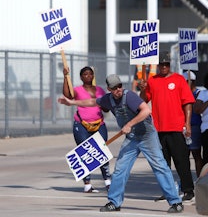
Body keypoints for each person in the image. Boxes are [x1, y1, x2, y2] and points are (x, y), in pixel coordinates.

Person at [58, 74, 184, 213]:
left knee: (160, 167)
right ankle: (114, 202)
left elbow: (146, 110)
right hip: (132, 138)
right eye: (114, 88)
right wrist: (72, 103)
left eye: (119, 86)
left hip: (147, 136)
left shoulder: (129, 96)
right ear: (109, 89)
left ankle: (176, 202)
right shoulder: (108, 99)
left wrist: (130, 124)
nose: (118, 90)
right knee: (120, 170)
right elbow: (93, 102)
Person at [138, 51, 195, 202]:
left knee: (181, 160)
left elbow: (187, 103)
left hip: (176, 127)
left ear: (169, 64)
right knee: (163, 163)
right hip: (158, 128)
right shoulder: (152, 81)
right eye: (161, 64)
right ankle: (168, 191)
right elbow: (142, 102)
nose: (163, 66)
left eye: (166, 64)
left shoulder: (179, 79)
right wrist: (142, 89)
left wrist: (187, 123)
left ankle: (188, 190)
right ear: (157, 65)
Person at [62, 66, 111, 193]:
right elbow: (67, 95)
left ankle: (108, 182)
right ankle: (87, 184)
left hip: (99, 124)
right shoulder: (77, 90)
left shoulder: (100, 90)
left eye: (90, 74)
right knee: (84, 152)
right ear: (81, 77)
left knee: (101, 152)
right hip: (81, 125)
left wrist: (106, 104)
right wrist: (66, 77)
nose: (88, 76)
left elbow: (106, 108)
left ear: (93, 76)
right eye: (85, 74)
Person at [183, 71, 203, 177]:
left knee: (196, 154)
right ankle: (186, 182)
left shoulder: (199, 93)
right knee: (184, 156)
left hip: (194, 126)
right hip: (182, 127)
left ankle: (199, 179)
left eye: (186, 82)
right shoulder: (181, 93)